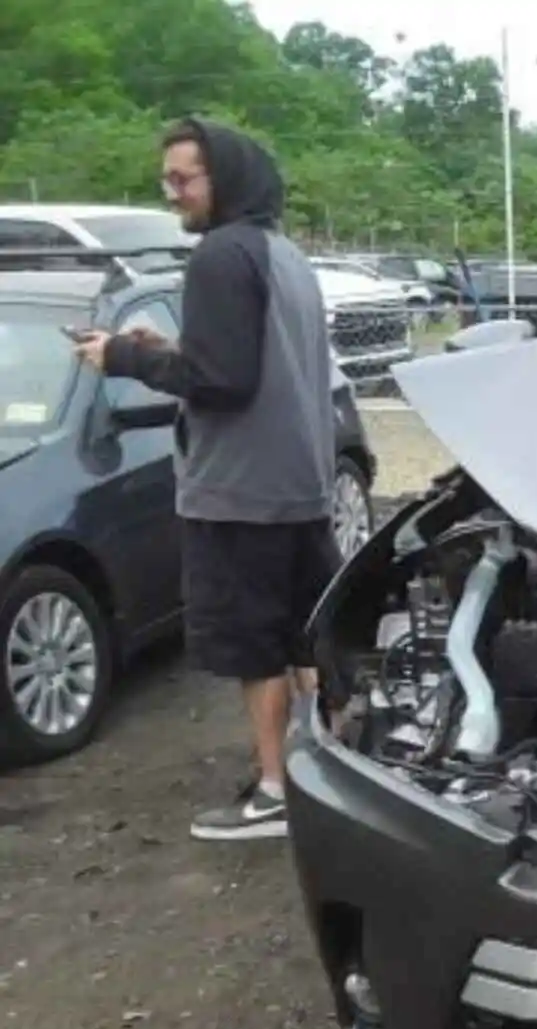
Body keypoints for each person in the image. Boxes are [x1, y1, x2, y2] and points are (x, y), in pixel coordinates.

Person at [74, 118, 337, 841]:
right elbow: (253, 364)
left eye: (184, 178)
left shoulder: (220, 256)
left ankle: (278, 793)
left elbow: (221, 384)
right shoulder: (284, 254)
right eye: (167, 180)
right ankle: (332, 775)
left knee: (257, 650)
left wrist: (125, 358)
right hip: (299, 483)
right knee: (307, 640)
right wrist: (176, 350)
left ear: (226, 178)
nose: (172, 194)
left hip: (241, 493)